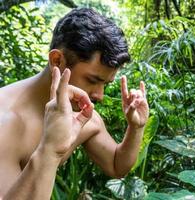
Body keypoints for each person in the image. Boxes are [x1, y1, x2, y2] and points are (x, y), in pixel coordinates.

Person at [0, 8, 149, 199]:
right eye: (92, 80)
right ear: (57, 60)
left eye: (105, 84)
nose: (100, 95)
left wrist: (136, 127)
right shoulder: (5, 123)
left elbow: (116, 165)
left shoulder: (82, 116)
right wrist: (50, 149)